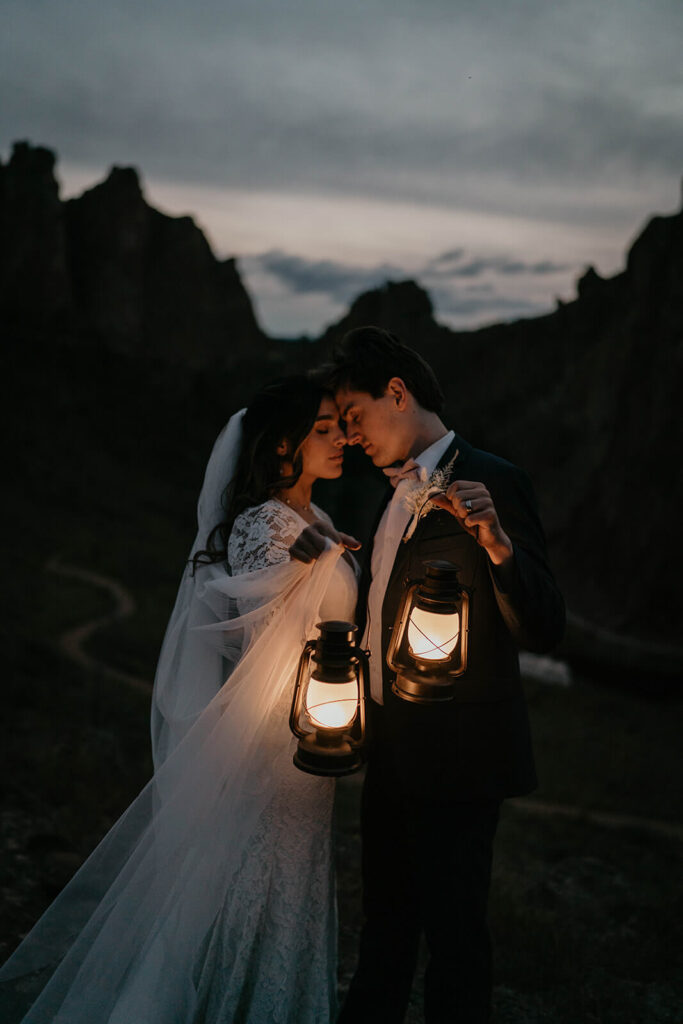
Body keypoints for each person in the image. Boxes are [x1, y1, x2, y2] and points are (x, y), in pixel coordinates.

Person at [0, 375, 360, 1024]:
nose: (340, 440)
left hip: (316, 731)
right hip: (267, 740)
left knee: (292, 885)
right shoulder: (265, 525)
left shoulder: (322, 520)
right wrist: (298, 562)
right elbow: (227, 618)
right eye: (324, 429)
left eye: (340, 427)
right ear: (284, 447)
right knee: (239, 887)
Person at [291, 328, 565, 1024]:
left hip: (461, 759)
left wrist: (497, 545)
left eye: (354, 419)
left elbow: (542, 625)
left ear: (397, 392)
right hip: (388, 753)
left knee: (455, 943)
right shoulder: (392, 494)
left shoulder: (494, 478)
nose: (350, 438)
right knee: (383, 930)